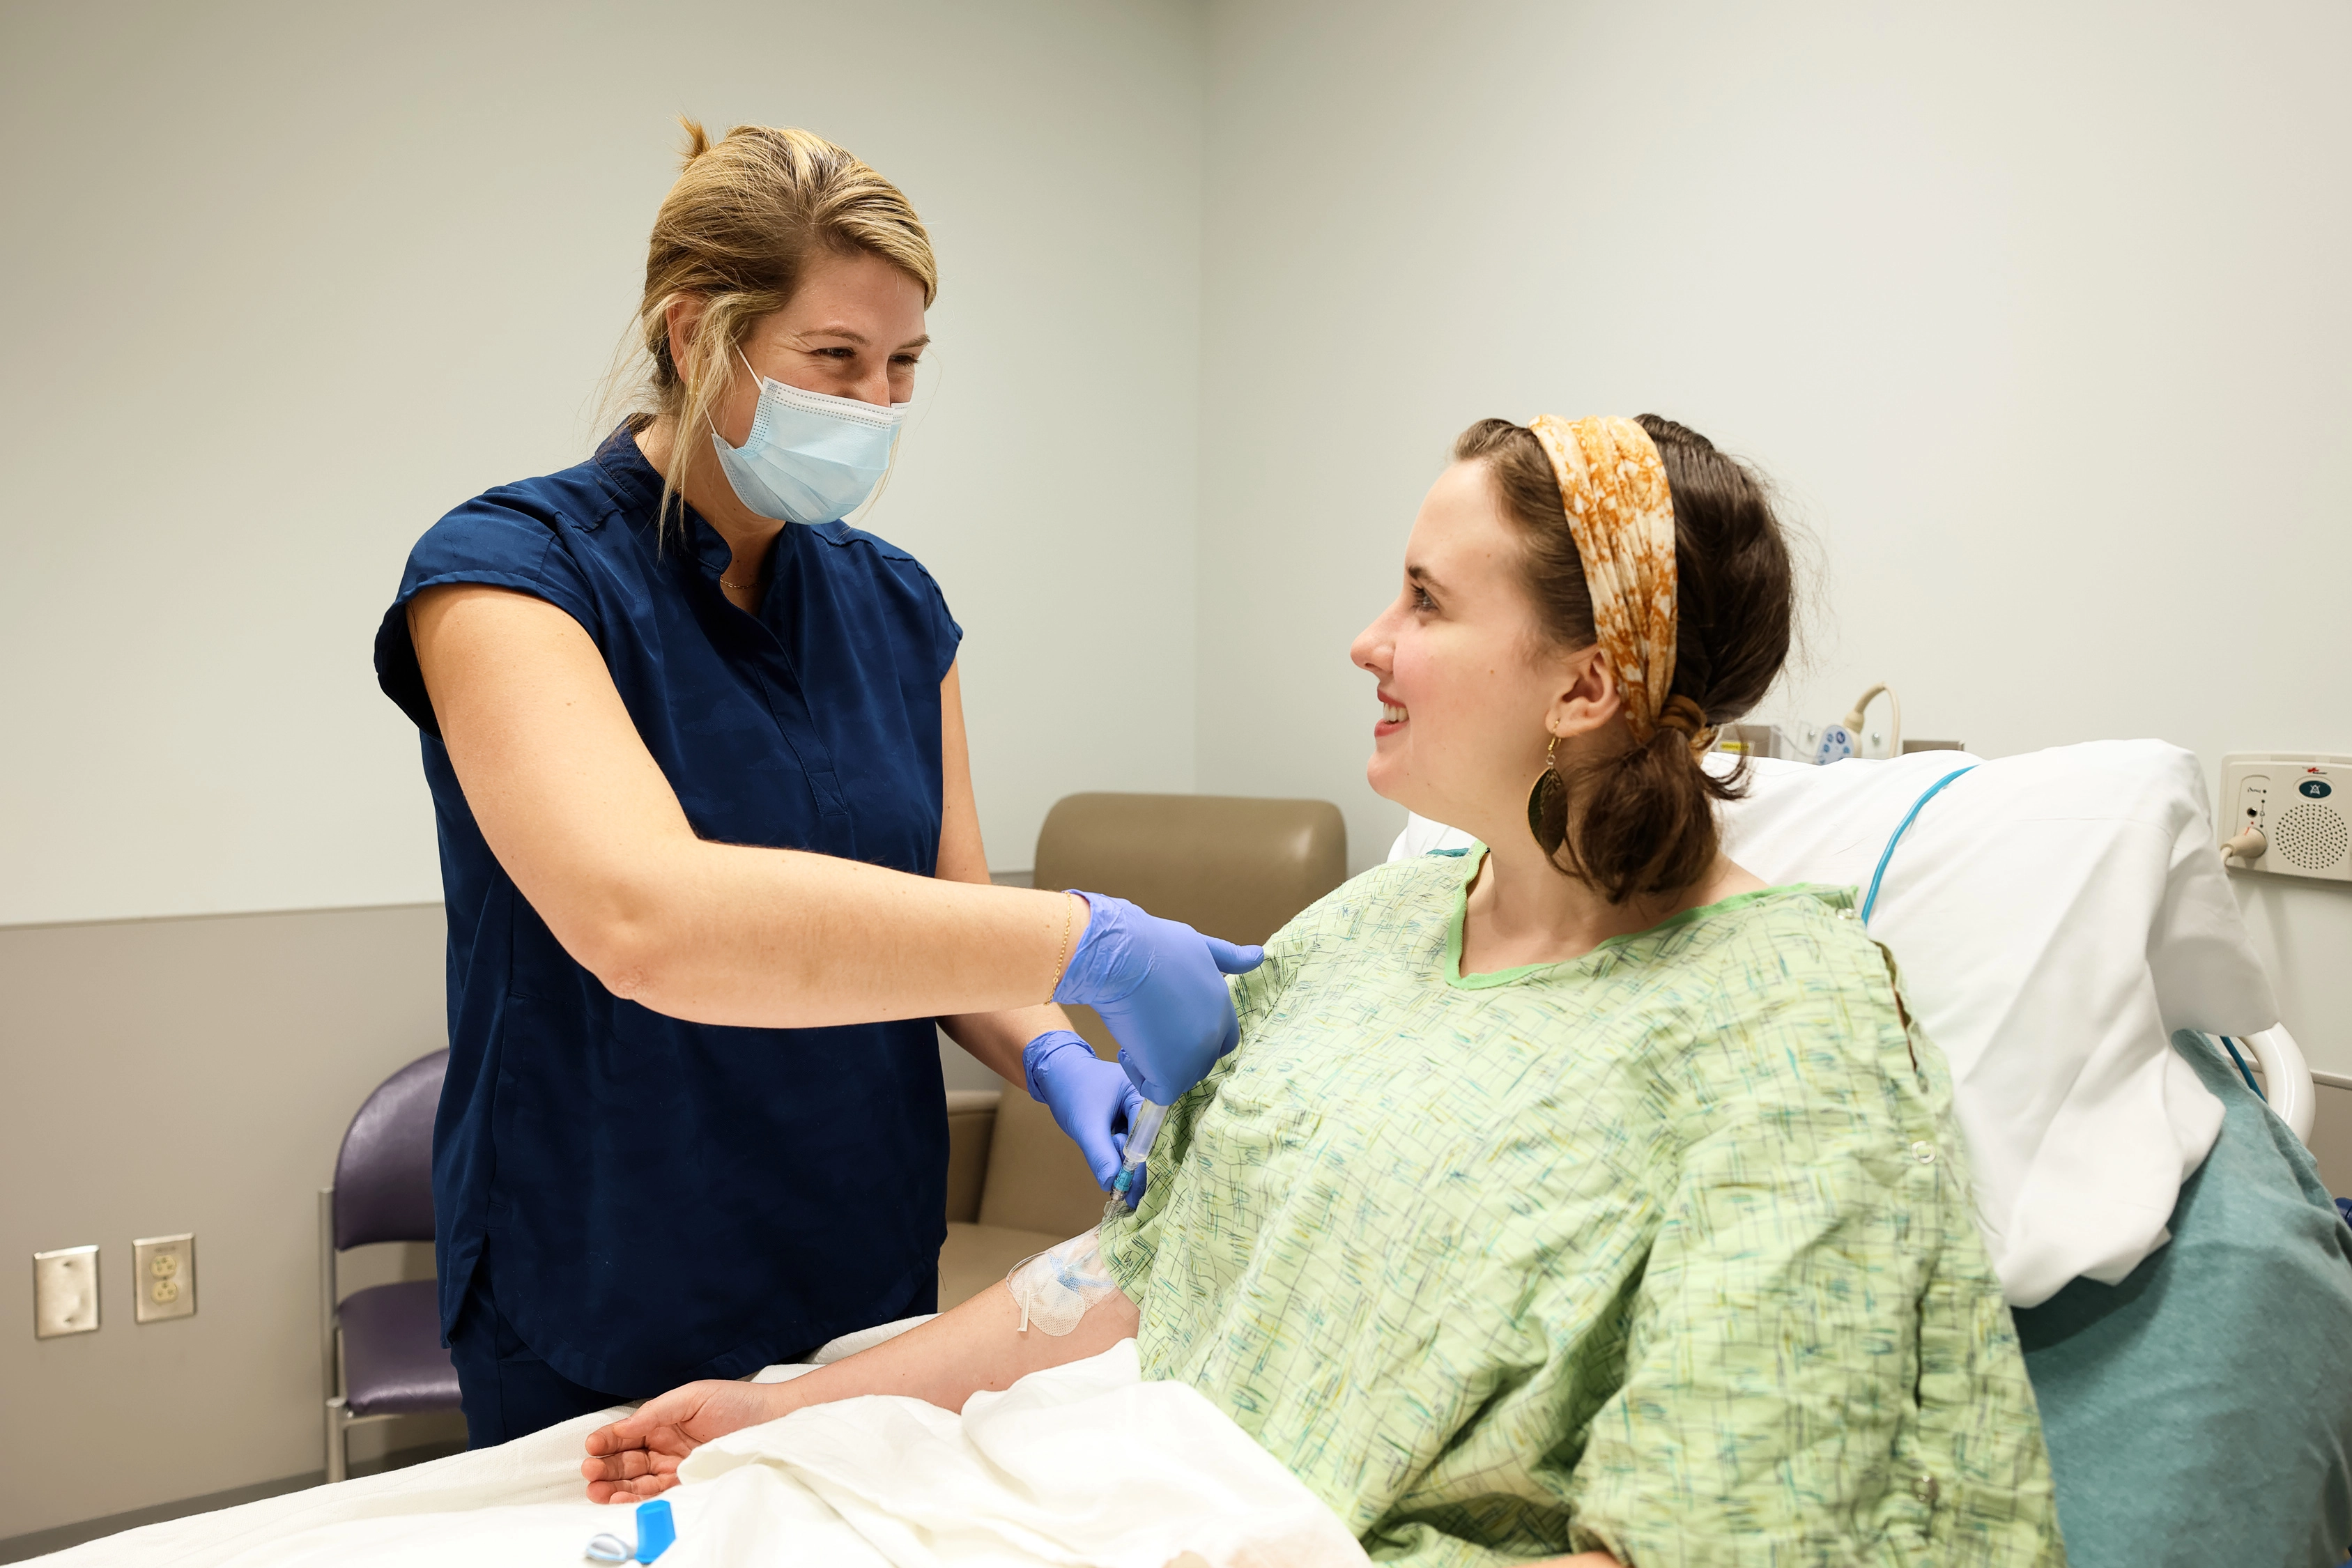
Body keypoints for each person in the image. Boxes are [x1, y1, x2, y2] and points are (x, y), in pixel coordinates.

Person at [579, 414, 2063, 1565]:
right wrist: (793, 1410)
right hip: (1129, 1490)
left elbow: (1731, 1527)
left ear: (1583, 688)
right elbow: (1144, 1267)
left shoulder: (1783, 1021)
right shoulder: (1369, 931)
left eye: (1423, 600)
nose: (1369, 640)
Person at [371, 122, 1257, 1447]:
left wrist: (1058, 1046)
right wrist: (1096, 936)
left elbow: (952, 919)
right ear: (693, 337)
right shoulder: (509, 572)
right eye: (832, 360)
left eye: (903, 366)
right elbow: (647, 917)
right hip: (606, 1266)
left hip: (858, 1262)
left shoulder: (898, 609)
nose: (874, 407)